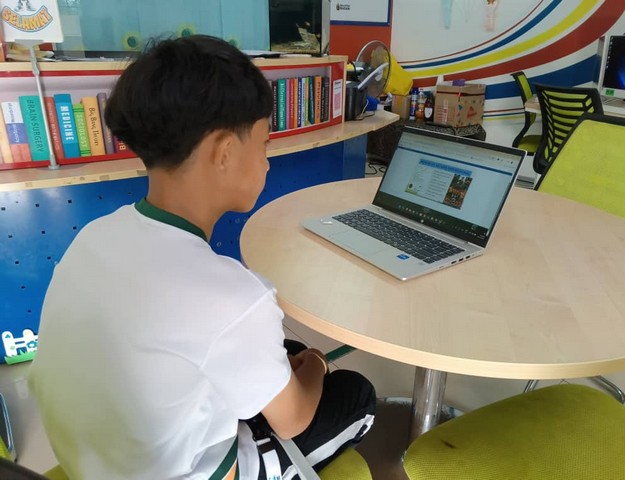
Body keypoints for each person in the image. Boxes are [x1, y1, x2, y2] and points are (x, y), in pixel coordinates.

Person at [28, 35, 375, 479]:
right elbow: (295, 419)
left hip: (95, 461)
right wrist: (319, 365)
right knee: (356, 393)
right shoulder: (232, 297)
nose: (267, 163)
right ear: (225, 152)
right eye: (264, 144)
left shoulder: (95, 236)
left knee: (282, 351)